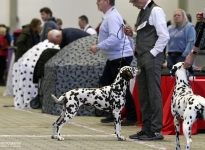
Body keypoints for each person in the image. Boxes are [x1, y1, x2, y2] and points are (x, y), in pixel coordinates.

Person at [124, 0, 169, 140]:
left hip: (152, 59)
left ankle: (156, 131)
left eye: (134, 1)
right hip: (142, 59)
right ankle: (146, 128)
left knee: (154, 95)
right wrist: (133, 35)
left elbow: (164, 36)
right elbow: (147, 36)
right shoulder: (142, 12)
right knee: (144, 95)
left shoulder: (155, 10)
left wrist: (153, 54)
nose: (133, 4)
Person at [90, 0, 137, 126]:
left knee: (121, 88)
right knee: (106, 83)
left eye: (99, 0)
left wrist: (98, 46)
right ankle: (114, 112)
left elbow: (116, 38)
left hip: (120, 57)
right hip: (114, 58)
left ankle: (132, 116)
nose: (96, 2)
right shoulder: (110, 16)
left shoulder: (112, 17)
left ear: (106, 1)